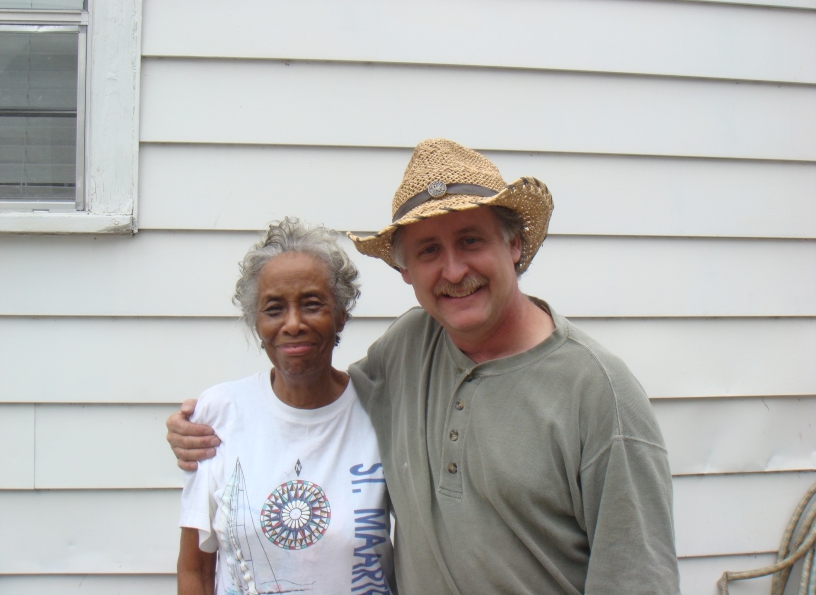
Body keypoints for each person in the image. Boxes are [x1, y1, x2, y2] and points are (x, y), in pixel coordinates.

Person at [169, 139, 680, 594]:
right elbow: (318, 395)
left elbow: (638, 580)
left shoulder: (599, 394)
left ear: (514, 244)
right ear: (406, 270)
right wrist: (206, 424)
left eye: (471, 240)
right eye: (429, 250)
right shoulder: (409, 349)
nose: (453, 271)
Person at [176, 218, 395, 595]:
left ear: (340, 315)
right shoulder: (219, 414)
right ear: (256, 322)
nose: (293, 324)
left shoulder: (382, 410)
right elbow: (195, 569)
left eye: (312, 305)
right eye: (274, 309)